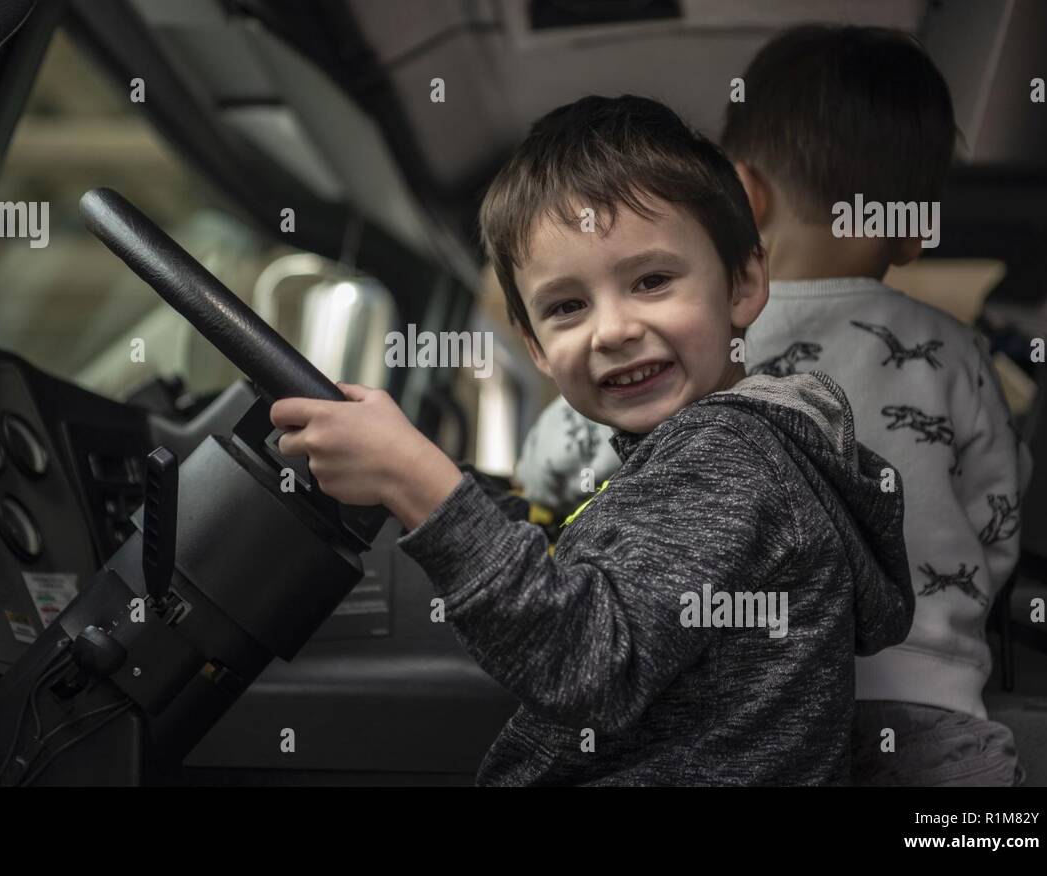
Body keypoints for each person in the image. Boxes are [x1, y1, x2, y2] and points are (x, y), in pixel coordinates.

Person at [270, 94, 913, 785]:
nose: (611, 330)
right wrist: (457, 491)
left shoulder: (726, 457)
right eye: (568, 306)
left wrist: (414, 479)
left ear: (745, 282)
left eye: (652, 280)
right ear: (536, 346)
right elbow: (604, 582)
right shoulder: (711, 458)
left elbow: (586, 663)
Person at [516, 26, 1032, 785]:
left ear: (745, 196)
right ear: (919, 231)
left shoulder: (703, 341)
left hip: (751, 709)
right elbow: (997, 517)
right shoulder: (954, 351)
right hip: (935, 707)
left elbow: (568, 469)